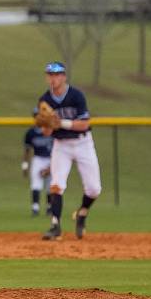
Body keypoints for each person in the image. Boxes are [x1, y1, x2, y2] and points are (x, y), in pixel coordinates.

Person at [37, 62, 102, 240]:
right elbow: (46, 132)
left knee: (94, 189)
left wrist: (61, 122)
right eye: (50, 75)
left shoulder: (76, 96)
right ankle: (55, 226)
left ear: (64, 77)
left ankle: (82, 213)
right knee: (56, 185)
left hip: (83, 144)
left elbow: (84, 124)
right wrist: (48, 123)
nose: (54, 78)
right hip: (61, 145)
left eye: (57, 74)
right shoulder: (45, 100)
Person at [22, 110, 53, 217]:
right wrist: (25, 165)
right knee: (36, 183)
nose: (38, 118)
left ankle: (50, 207)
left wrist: (50, 167)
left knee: (51, 185)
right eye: (36, 116)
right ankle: (35, 208)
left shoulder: (52, 130)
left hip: (52, 159)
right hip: (38, 159)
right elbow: (27, 150)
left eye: (40, 116)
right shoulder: (31, 132)